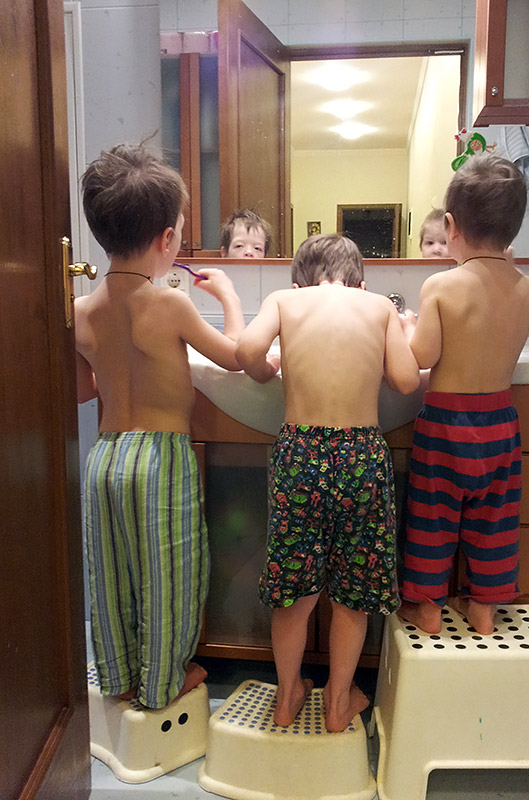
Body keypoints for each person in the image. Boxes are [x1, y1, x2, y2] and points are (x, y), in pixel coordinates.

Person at [75, 142, 244, 709]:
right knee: (170, 574)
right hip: (160, 460)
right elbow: (235, 357)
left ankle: (118, 676)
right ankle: (163, 682)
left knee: (112, 572)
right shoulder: (169, 304)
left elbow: (81, 390)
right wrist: (229, 298)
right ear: (167, 239)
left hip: (104, 459)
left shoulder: (80, 310)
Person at [235, 234, 420, 732]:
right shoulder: (378, 306)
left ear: (300, 283)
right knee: (353, 589)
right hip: (361, 455)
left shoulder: (285, 301)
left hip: (300, 454)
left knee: (294, 589)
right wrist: (398, 335)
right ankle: (338, 703)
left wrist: (267, 368)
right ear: (360, 284)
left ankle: (286, 697)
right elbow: (407, 381)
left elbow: (247, 350)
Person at [398, 154, 529, 636]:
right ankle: (484, 608)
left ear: (451, 226)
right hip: (500, 424)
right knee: (494, 523)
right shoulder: (526, 288)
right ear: (513, 231)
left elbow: (422, 356)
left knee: (433, 520)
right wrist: (512, 267)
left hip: (445, 426)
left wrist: (407, 328)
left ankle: (427, 609)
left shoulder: (442, 285)